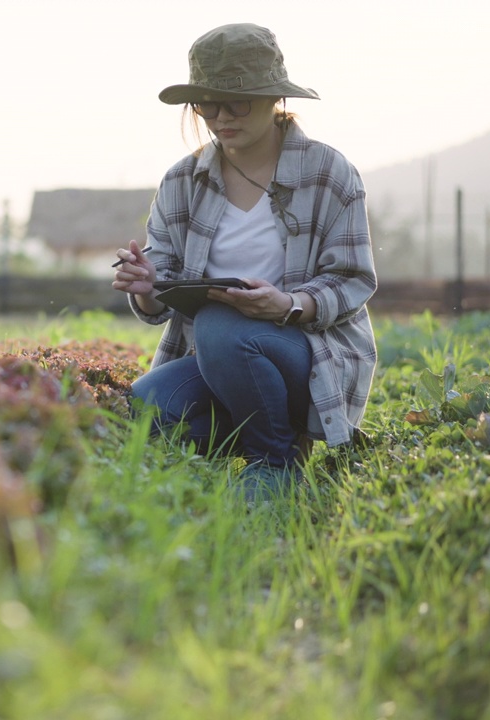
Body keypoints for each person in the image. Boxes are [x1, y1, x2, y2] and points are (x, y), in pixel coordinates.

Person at [112, 23, 377, 500]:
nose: (219, 117)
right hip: (218, 358)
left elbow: (353, 278)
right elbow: (161, 297)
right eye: (206, 104)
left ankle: (274, 459)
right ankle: (254, 429)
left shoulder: (329, 172)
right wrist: (148, 285)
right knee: (145, 409)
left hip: (305, 350)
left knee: (218, 324)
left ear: (273, 97)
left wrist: (288, 304)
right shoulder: (182, 181)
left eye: (236, 102)